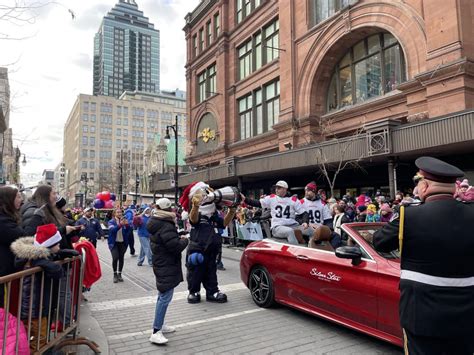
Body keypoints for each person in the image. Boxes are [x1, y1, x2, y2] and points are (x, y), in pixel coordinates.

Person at [373, 156, 474, 355]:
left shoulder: (409, 215)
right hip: (468, 314)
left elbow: (380, 242)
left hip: (422, 314)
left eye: (418, 183)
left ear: (425, 186)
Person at [179, 181, 236, 304]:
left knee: (211, 270)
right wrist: (195, 205)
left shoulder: (214, 215)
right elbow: (193, 220)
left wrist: (231, 211)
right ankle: (194, 291)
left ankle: (212, 291)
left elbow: (224, 223)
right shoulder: (197, 214)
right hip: (198, 247)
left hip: (212, 248)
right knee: (195, 269)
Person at [10, 224, 65, 351]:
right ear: (48, 246)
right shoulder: (37, 261)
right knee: (38, 339)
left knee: (35, 337)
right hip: (35, 309)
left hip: (34, 307)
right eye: (57, 244)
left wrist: (59, 254)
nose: (59, 246)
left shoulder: (34, 257)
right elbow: (57, 271)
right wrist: (48, 262)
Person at [147, 198, 188, 345]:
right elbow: (174, 246)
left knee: (162, 295)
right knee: (165, 297)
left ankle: (160, 324)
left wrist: (177, 236)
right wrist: (184, 240)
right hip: (166, 263)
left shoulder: (156, 221)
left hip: (162, 262)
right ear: (168, 209)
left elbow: (167, 241)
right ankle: (156, 331)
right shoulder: (165, 224)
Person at [243, 180, 310, 245]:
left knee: (311, 231)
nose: (276, 190)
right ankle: (296, 253)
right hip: (278, 227)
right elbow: (257, 203)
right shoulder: (272, 198)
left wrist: (305, 222)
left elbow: (304, 213)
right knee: (289, 231)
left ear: (285, 189)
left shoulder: (293, 199)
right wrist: (245, 199)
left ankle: (314, 251)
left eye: (279, 188)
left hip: (293, 225)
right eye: (276, 188)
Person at [0, 186, 25, 307]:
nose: (21, 199)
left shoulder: (7, 217)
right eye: (18, 196)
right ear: (9, 199)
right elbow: (20, 236)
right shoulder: (3, 220)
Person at [108, 208, 132, 283]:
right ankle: (115, 274)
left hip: (123, 243)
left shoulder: (124, 221)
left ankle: (120, 274)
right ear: (114, 213)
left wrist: (127, 225)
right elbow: (112, 231)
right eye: (117, 212)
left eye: (120, 212)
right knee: (115, 258)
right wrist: (120, 224)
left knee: (121, 258)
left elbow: (129, 232)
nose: (119, 213)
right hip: (114, 243)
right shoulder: (111, 221)